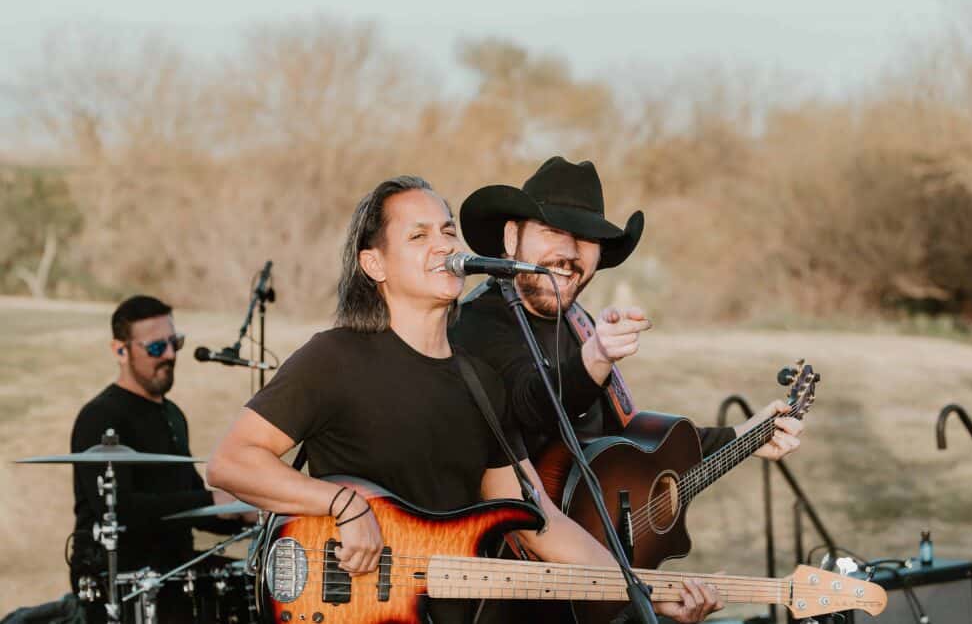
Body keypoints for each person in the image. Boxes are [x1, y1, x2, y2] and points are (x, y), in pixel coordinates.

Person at [207, 176, 723, 623]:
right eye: (419, 235)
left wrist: (645, 592)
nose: (443, 244)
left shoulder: (479, 381)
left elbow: (540, 522)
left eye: (447, 230)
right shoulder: (334, 357)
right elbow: (232, 463)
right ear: (374, 263)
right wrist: (340, 503)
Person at [451, 156, 804, 466]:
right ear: (512, 238)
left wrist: (742, 437)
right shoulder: (476, 322)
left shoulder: (578, 324)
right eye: (553, 230)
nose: (570, 252)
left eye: (587, 238)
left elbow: (630, 441)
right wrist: (597, 357)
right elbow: (531, 406)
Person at [69, 295, 245, 624]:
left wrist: (245, 512)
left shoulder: (172, 415)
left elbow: (191, 500)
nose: (170, 354)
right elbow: (122, 509)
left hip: (176, 568)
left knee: (256, 584)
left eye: (175, 342)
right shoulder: (100, 417)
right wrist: (211, 500)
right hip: (125, 583)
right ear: (120, 351)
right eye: (155, 347)